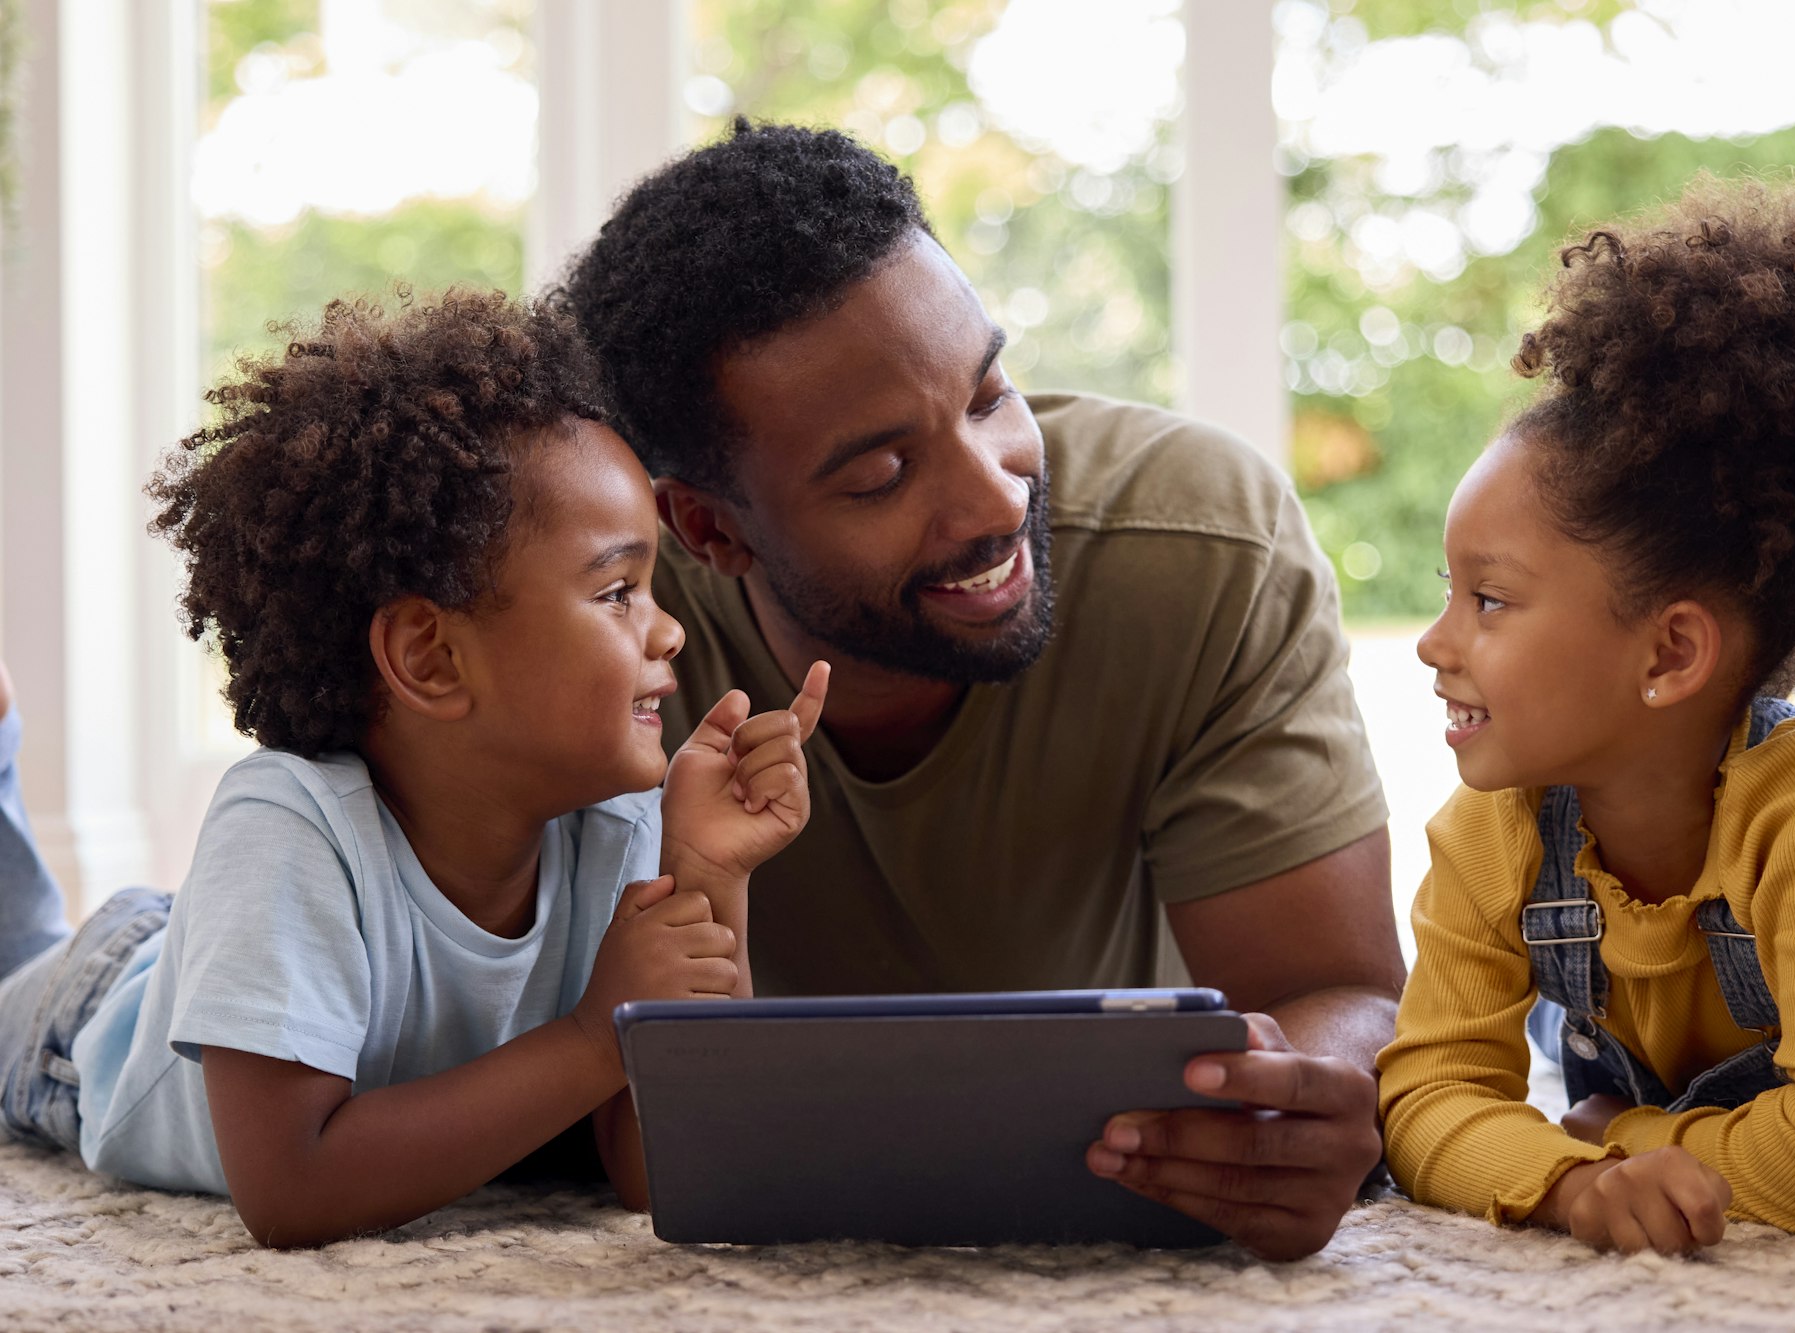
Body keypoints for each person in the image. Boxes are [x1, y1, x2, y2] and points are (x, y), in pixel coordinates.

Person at [560, 120, 1402, 1261]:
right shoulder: (610, 636)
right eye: (881, 474)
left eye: (989, 394)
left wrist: (1300, 1105)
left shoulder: (1201, 548)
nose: (994, 498)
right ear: (708, 529)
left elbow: (1338, 989)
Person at [0, 291, 827, 1247]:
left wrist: (710, 876)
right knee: (15, 961)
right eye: (616, 591)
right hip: (87, 1021)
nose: (671, 628)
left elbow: (671, 1168)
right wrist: (593, 1038)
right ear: (431, 658)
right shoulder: (287, 825)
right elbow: (292, 1190)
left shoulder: (621, 820)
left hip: (231, 940)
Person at [1377, 175, 1795, 1256]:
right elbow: (1423, 1097)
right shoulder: (1494, 829)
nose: (1434, 643)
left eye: (1486, 600)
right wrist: (1566, 1182)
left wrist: (1621, 1131)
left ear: (1667, 654)